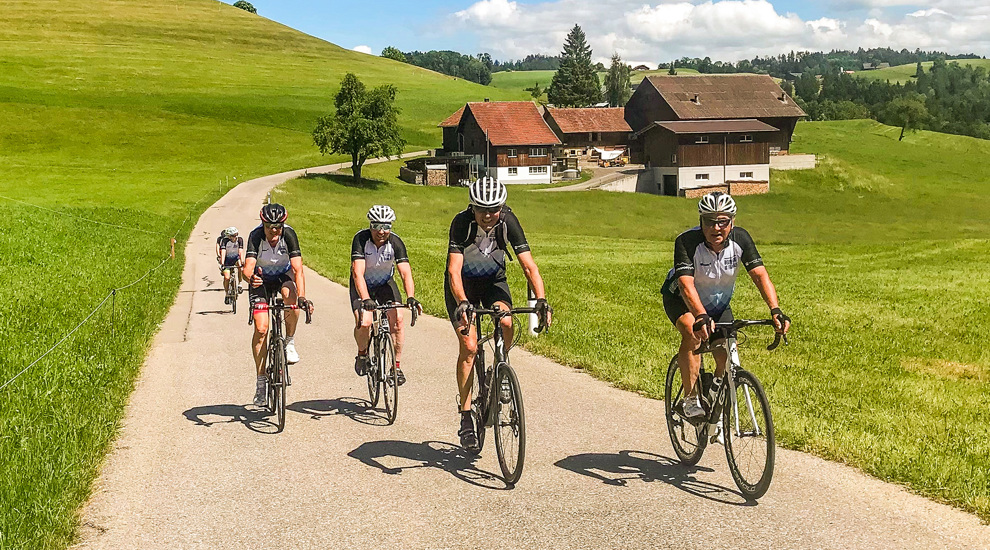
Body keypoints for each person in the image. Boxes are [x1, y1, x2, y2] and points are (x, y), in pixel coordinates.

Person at [660, 191, 790, 419]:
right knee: (692, 332)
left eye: (722, 221)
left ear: (732, 221)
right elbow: (685, 284)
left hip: (718, 305)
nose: (716, 227)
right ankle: (690, 400)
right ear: (701, 221)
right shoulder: (687, 242)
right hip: (682, 300)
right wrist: (700, 315)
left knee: (726, 354)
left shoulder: (741, 239)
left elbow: (760, 275)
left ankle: (714, 396)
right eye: (709, 221)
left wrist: (775, 310)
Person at [445, 176, 552, 451]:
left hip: (493, 281)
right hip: (463, 287)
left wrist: (541, 299)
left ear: (501, 207)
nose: (487, 215)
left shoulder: (508, 222)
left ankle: (501, 365)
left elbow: (529, 266)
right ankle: (466, 416)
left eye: (493, 209)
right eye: (481, 209)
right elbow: (453, 270)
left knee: (506, 321)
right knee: (469, 347)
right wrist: (462, 302)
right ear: (472, 207)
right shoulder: (462, 223)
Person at [241, 203, 314, 407]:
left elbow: (298, 269)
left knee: (291, 296)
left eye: (278, 227)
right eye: (269, 227)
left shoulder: (289, 235)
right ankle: (261, 381)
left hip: (283, 275)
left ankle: (289, 341)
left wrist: (302, 297)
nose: (274, 231)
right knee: (261, 329)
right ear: (263, 224)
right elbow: (247, 269)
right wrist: (250, 278)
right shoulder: (256, 236)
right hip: (261, 280)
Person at [350, 205, 422, 386]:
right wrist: (365, 299)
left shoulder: (395, 242)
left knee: (398, 321)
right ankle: (362, 354)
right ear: (370, 225)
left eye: (386, 226)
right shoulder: (361, 239)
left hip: (384, 284)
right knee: (365, 322)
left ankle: (395, 367)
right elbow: (357, 273)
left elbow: (405, 272)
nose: (381, 231)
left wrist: (411, 297)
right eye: (376, 226)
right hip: (363, 284)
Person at [215, 226, 244, 304]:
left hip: (236, 258)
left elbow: (240, 251)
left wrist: (242, 261)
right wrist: (222, 263)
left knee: (240, 268)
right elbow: (223, 252)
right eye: (233, 236)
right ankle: (227, 293)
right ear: (229, 236)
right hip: (227, 260)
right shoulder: (225, 241)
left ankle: (240, 284)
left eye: (236, 235)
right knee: (227, 277)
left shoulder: (240, 240)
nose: (236, 237)